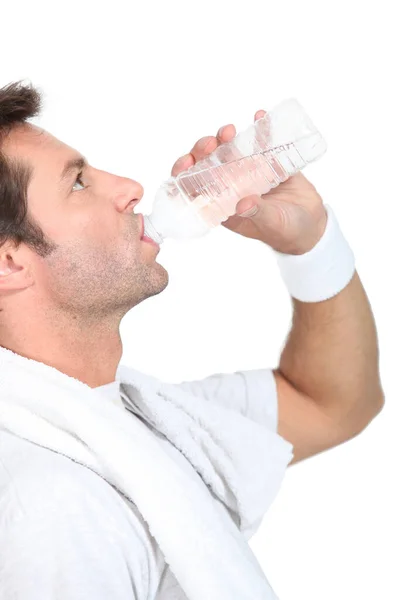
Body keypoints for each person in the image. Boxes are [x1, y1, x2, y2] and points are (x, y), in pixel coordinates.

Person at [0, 81, 384, 599]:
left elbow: (335, 403)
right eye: (78, 184)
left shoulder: (142, 425)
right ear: (9, 262)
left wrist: (310, 242)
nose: (130, 187)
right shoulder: (48, 511)